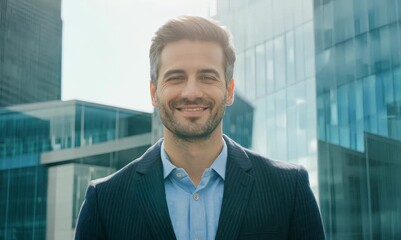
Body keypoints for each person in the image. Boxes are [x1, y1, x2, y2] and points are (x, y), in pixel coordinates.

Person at [74, 16, 325, 240]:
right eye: (176, 77)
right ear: (153, 92)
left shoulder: (289, 189)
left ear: (229, 90)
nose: (191, 92)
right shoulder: (105, 201)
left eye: (207, 77)